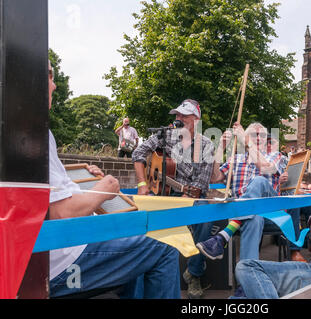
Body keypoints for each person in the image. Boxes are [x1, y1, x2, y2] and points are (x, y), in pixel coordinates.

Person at [47, 61, 180, 299]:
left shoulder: (204, 145)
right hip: (60, 258)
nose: (55, 85)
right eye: (49, 76)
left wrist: (78, 174)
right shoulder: (33, 133)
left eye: (185, 117)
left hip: (62, 244)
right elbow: (59, 213)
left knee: (136, 235)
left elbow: (43, 184)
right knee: (165, 244)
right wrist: (104, 189)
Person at [131, 99, 215, 299]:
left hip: (192, 195)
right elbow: (138, 152)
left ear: (196, 119)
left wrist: (187, 195)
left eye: (184, 116)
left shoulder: (207, 144)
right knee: (142, 216)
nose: (179, 119)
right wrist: (143, 184)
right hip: (163, 192)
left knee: (204, 220)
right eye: (177, 115)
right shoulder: (165, 135)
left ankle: (193, 274)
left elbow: (202, 183)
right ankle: (140, 272)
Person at [196, 122, 286, 265]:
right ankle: (246, 278)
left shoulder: (274, 156)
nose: (258, 138)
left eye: (262, 135)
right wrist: (221, 148)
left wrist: (246, 139)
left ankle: (225, 234)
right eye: (253, 135)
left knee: (259, 181)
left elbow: (265, 167)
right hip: (249, 215)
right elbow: (214, 177)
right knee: (254, 218)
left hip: (270, 211)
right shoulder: (235, 159)